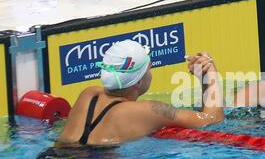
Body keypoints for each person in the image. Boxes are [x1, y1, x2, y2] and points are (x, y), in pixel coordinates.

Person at [56, 40, 224, 147]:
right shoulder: (149, 109)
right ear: (138, 81)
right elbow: (212, 120)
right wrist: (210, 76)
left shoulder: (88, 94)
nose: (150, 72)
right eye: (149, 69)